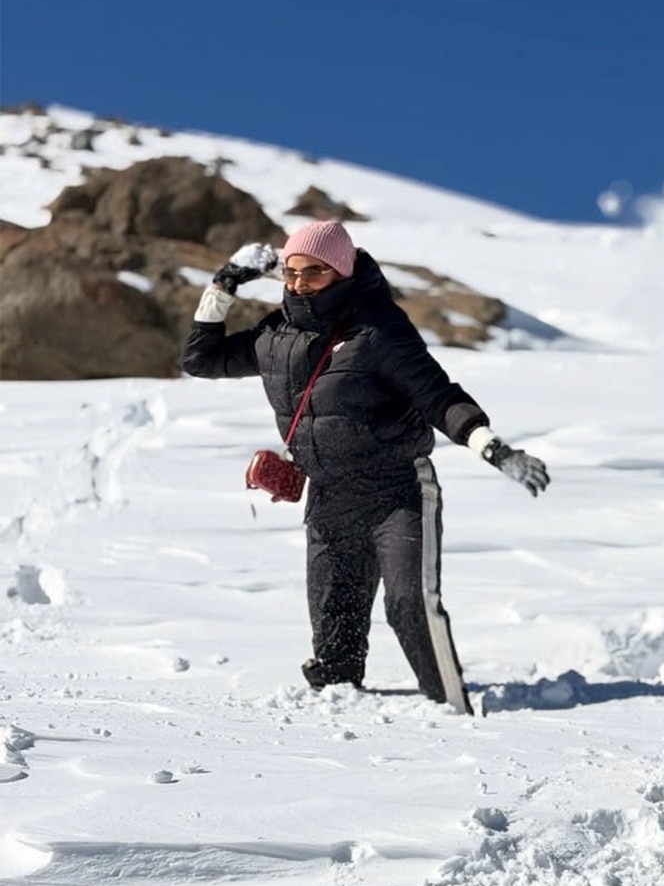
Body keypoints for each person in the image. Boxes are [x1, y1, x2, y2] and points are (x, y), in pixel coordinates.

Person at [182, 221, 549, 715]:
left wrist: (492, 447)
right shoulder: (275, 335)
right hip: (330, 497)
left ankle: (456, 712)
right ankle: (344, 731)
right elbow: (199, 358)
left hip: (397, 490)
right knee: (334, 624)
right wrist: (225, 282)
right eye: (291, 272)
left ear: (341, 272)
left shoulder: (379, 331)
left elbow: (439, 397)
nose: (299, 283)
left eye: (314, 272)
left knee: (409, 606)